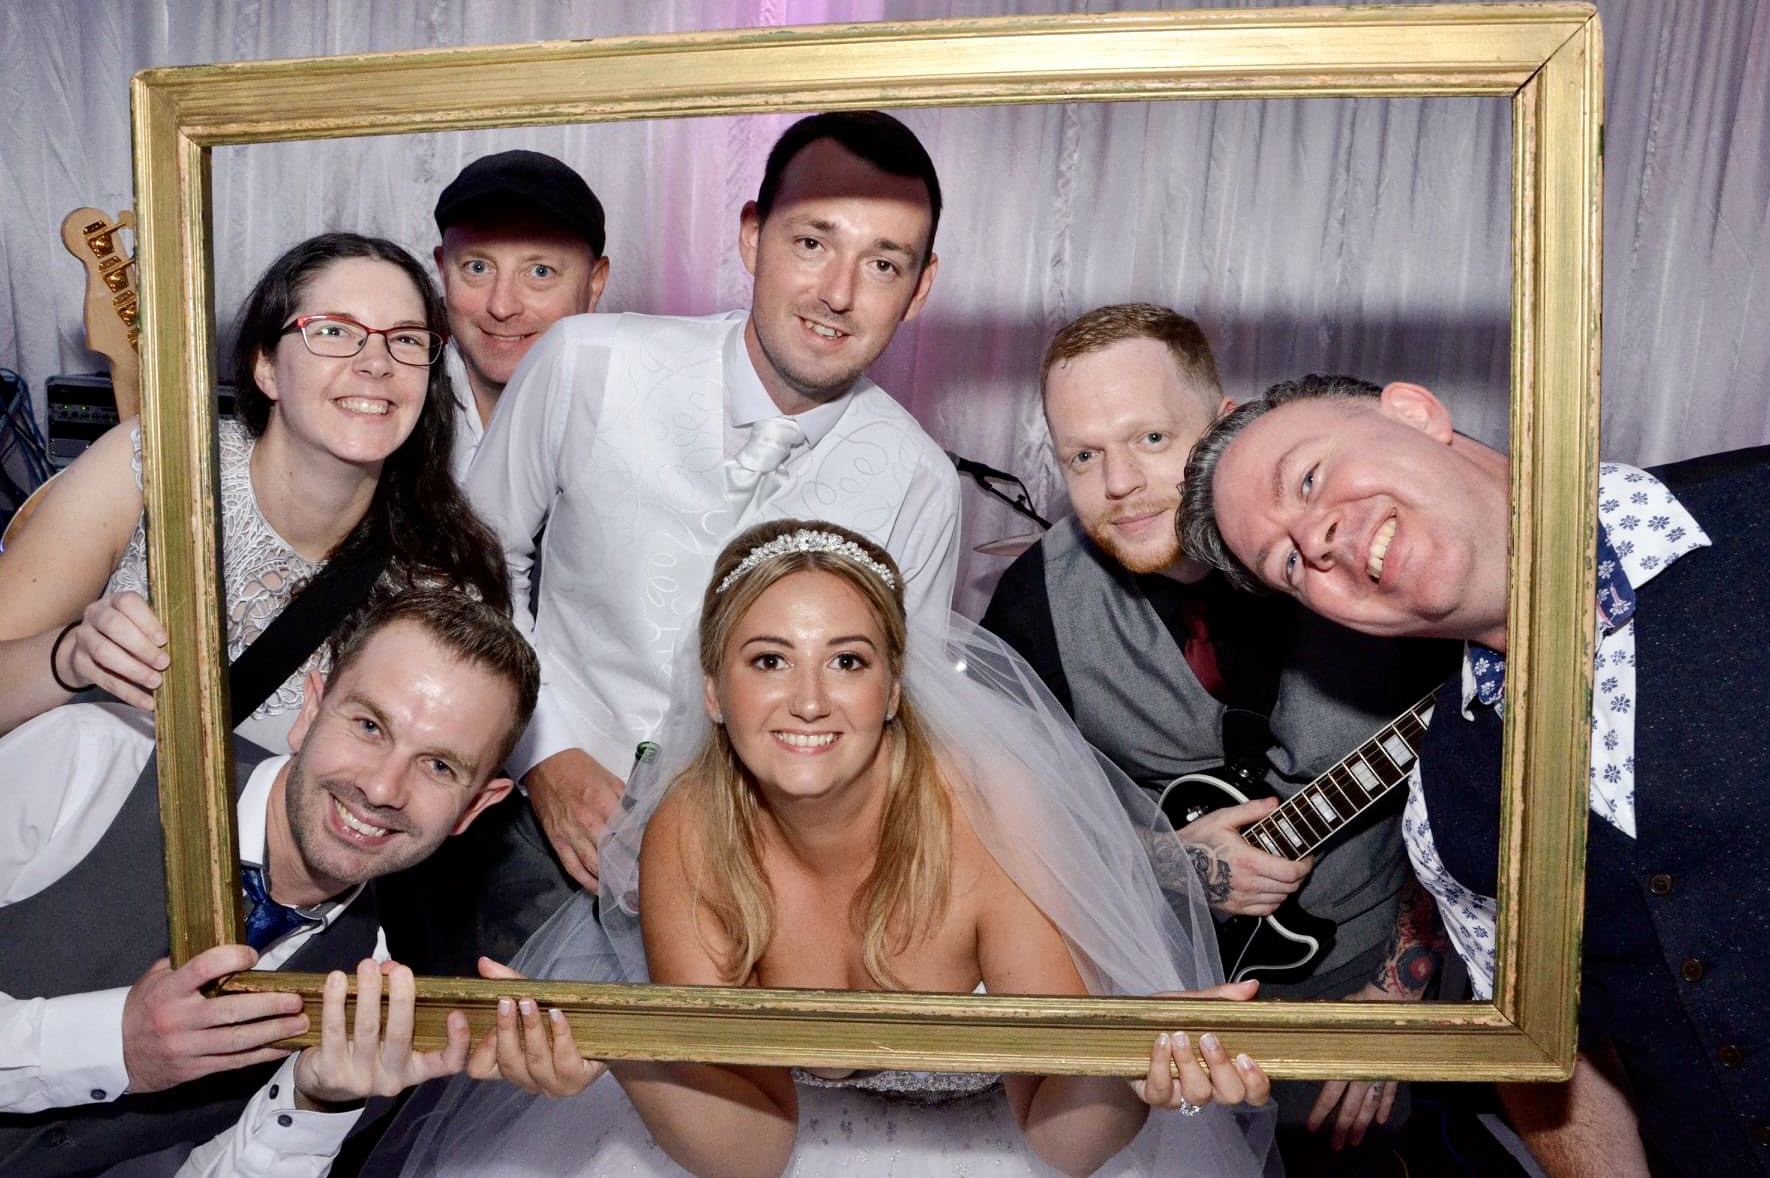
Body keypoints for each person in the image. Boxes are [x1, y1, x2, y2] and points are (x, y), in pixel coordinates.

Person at [383, 519, 1279, 1178]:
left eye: (847, 661)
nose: (808, 700)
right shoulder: (688, 831)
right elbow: (756, 1147)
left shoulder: (991, 814)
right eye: (768, 661)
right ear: (715, 692)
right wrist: (625, 1048)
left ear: (894, 688)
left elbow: (1058, 1133)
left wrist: (1133, 1070)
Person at [1180, 374, 1770, 1178]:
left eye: (1309, 477)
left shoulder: (1753, 514)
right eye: (1288, 563)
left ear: (1417, 412)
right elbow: (1553, 1058)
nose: (1316, 538)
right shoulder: (1442, 813)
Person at [981, 305, 1453, 1170]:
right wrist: (1167, 861)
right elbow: (1002, 831)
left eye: (1152, 437)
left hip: (1364, 994)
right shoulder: (1032, 604)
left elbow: (1475, 775)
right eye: (1084, 456)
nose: (1118, 482)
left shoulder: (1354, 543)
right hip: (1160, 1014)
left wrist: (1398, 995)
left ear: (1224, 423)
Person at [463, 111, 961, 926]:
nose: (839, 293)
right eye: (811, 243)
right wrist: (542, 751)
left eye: (882, 263)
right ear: (752, 237)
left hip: (753, 888)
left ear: (920, 289)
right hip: (521, 832)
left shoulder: (922, 486)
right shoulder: (587, 362)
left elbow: (898, 721)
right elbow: (468, 566)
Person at [0, 587, 541, 1176]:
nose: (384, 789)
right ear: (310, 711)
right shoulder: (94, 759)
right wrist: (113, 1044)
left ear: (473, 809)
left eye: (439, 765)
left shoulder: (365, 995)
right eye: (368, 725)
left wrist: (317, 1101)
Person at [0, 232, 510, 750]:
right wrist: (69, 656)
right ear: (266, 366)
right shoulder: (152, 465)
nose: (376, 363)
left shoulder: (440, 583)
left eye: (405, 339)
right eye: (333, 330)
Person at [432, 149, 611, 478]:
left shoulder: (632, 425)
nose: (502, 306)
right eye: (478, 267)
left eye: (540, 272)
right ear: (444, 272)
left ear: (594, 283)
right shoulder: (391, 408)